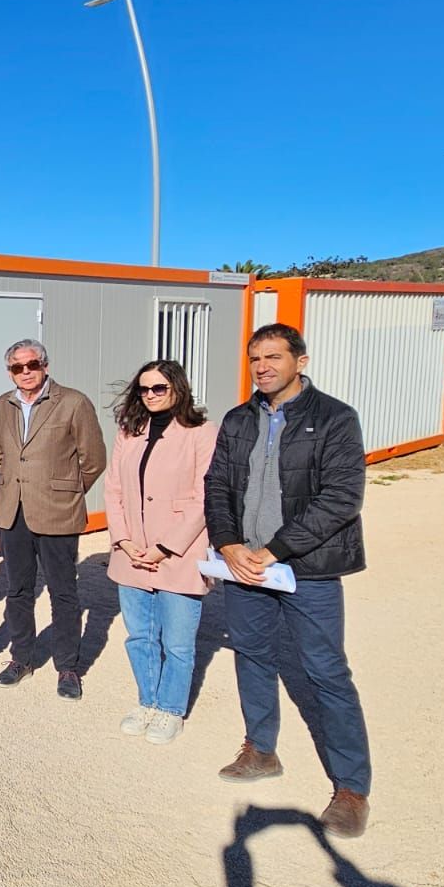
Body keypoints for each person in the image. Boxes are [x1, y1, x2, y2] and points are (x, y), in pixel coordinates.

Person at [204, 324, 372, 838]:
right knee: (253, 654)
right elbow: (217, 485)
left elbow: (342, 498)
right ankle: (261, 749)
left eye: (273, 357)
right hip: (244, 565)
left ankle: (351, 787)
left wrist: (273, 550)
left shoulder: (335, 418)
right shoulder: (238, 419)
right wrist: (230, 544)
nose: (262, 367)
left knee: (325, 671)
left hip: (308, 568)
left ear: (300, 361)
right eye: (255, 358)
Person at [103, 361, 218, 744]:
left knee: (178, 642)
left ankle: (170, 709)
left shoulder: (201, 433)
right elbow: (114, 488)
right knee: (140, 636)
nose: (150, 395)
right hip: (131, 551)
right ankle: (147, 701)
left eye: (159, 388)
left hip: (178, 553)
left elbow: (206, 497)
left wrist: (165, 547)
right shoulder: (128, 431)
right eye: (144, 389)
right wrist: (123, 539)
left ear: (177, 389)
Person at [0, 338, 107, 698]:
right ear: (9, 371)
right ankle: (21, 657)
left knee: (63, 592)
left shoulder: (72, 402)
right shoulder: (2, 405)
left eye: (32, 365)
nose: (25, 372)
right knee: (18, 590)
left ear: (45, 365)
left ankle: (67, 666)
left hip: (57, 512)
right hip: (14, 512)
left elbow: (94, 459)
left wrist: (66, 492)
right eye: (17, 367)